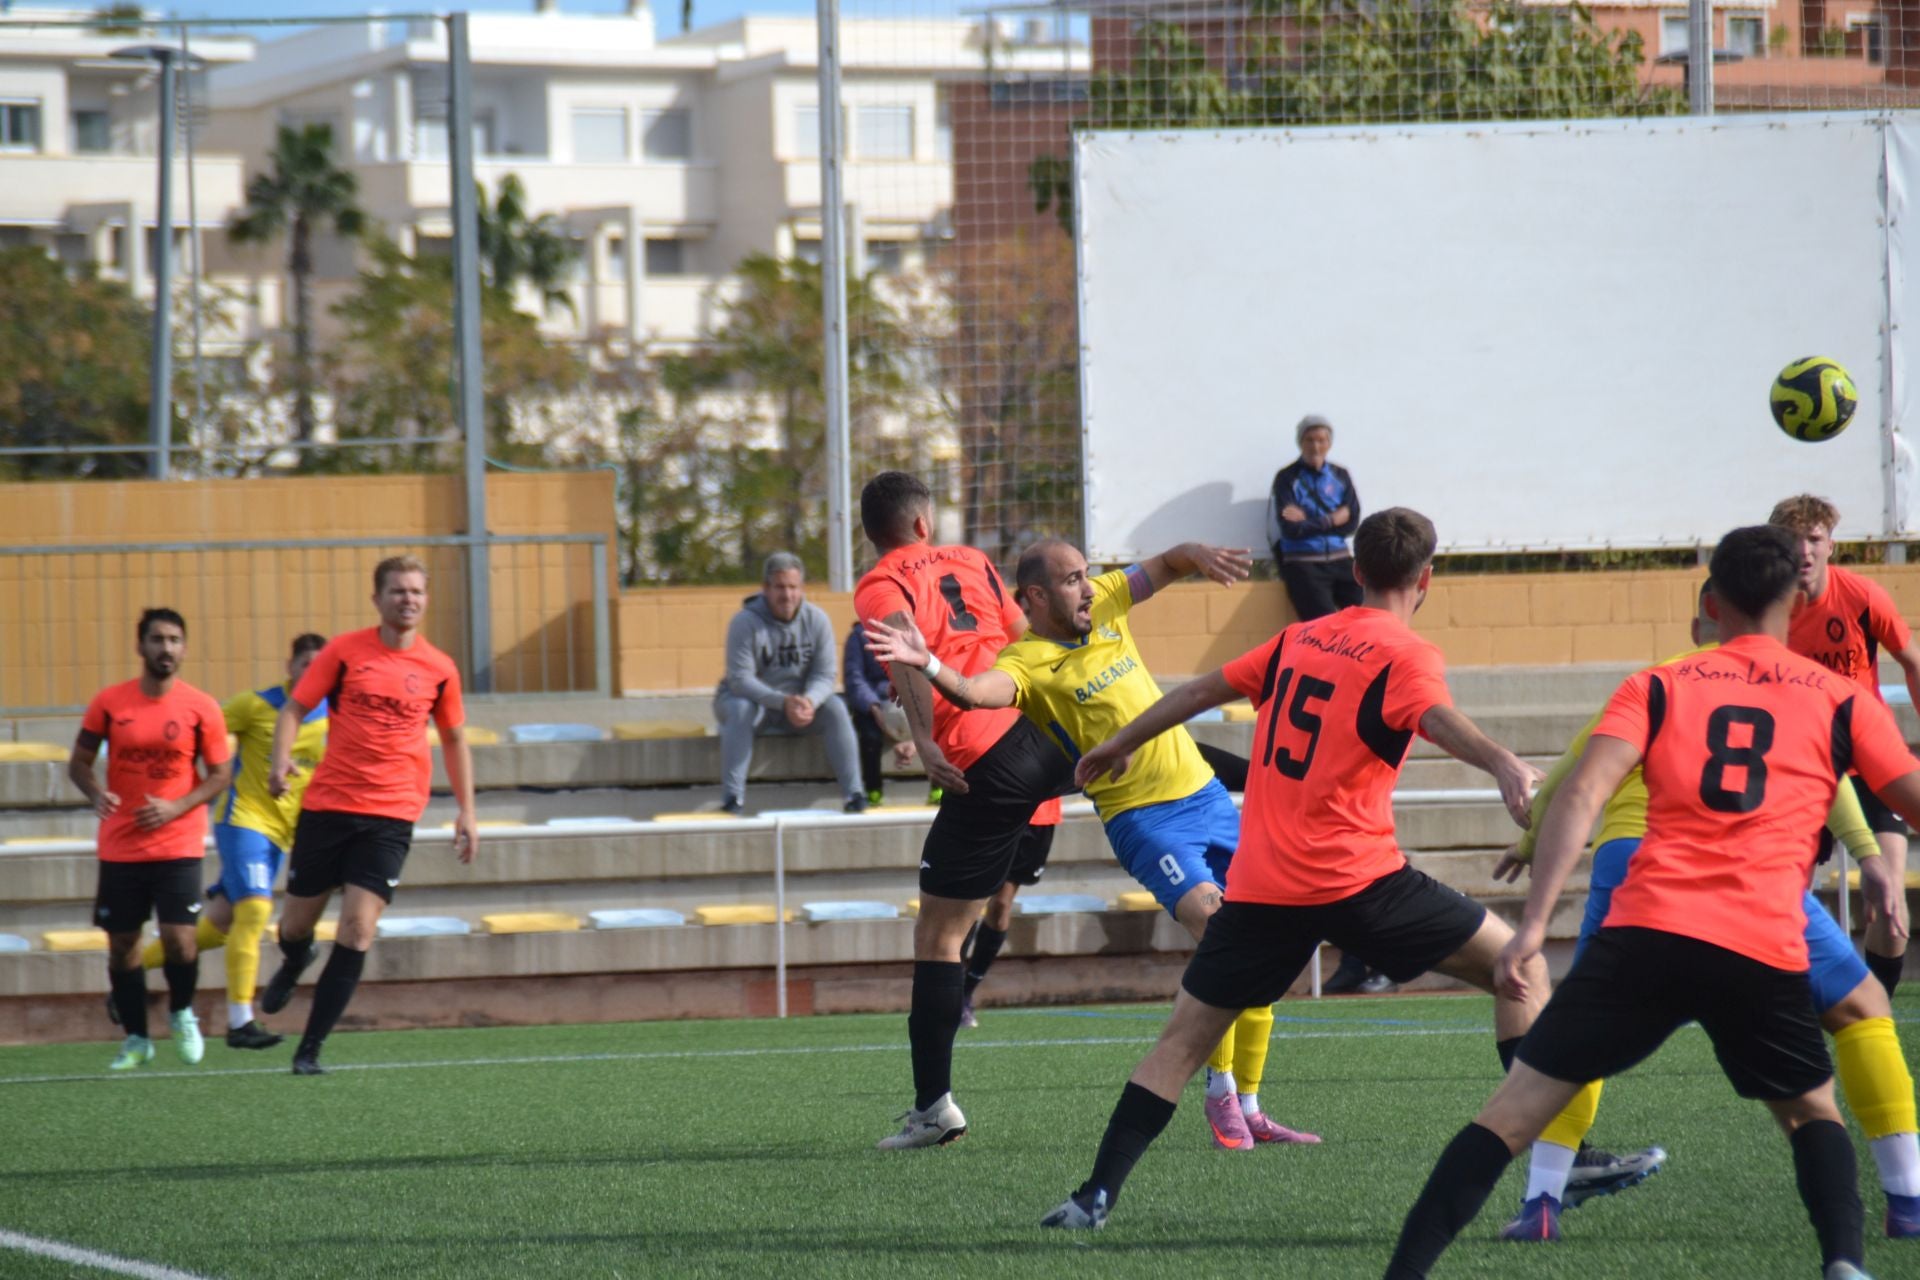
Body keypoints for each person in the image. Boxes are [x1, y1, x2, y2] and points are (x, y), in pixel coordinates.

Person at [1385, 525, 1917, 1280]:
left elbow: (1582, 793)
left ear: (1711, 601)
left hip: (1648, 931)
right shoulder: (1838, 698)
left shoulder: (1661, 683)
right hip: (1760, 940)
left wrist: (1532, 927)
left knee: (1510, 1113)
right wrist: (1872, 855)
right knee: (1810, 1112)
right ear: (1798, 598)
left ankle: (1409, 1270)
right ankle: (1845, 1263)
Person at [1039, 508, 1578, 1230]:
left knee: (1181, 1042)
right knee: (1523, 969)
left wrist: (1116, 743)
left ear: (1354, 572)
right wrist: (1504, 763)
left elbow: (1197, 693)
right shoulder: (1406, 652)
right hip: (1360, 881)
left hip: (1263, 889)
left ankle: (1092, 1196)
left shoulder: (1296, 640)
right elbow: (1435, 717)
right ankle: (1557, 1163)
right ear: (1427, 580)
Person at [1493, 579, 1916, 1241]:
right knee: (1863, 1006)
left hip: (1628, 864)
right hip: (1736, 868)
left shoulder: (1654, 682)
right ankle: (1907, 1201)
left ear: (1704, 623)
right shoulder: (1796, 686)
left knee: (1585, 1031)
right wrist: (1869, 857)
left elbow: (1576, 773)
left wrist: (1526, 843)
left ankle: (1541, 1202)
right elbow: (1829, 778)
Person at [868, 536, 1319, 1148]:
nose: (1088, 586)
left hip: (1207, 800)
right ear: (1035, 596)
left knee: (1266, 938)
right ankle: (1219, 1092)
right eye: (1072, 579)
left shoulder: (1104, 601)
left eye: (1086, 575)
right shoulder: (1027, 662)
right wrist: (927, 664)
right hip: (1148, 820)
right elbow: (977, 692)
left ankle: (1252, 1102)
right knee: (1226, 939)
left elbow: (1163, 565)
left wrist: (1197, 554)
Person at [853, 471, 1074, 1150]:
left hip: (984, 757)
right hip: (1044, 724)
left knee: (939, 939)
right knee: (1168, 768)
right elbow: (1026, 635)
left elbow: (907, 660)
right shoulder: (974, 560)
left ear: (876, 533)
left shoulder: (879, 583)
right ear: (924, 523)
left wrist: (921, 739)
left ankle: (932, 1108)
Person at [258, 556, 478, 1075]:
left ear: (426, 599)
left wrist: (468, 810)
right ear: (376, 599)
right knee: (295, 924)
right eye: (398, 591)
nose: (409, 599)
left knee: (357, 929)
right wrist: (280, 758)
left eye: (417, 592)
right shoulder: (345, 651)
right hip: (329, 806)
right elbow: (293, 708)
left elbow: (453, 737)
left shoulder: (439, 668)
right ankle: (295, 958)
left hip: (391, 815)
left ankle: (309, 1049)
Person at [133, 633, 329, 1050]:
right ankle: (240, 1021)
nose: (312, 673)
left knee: (219, 927)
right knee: (255, 910)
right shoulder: (257, 705)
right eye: (305, 664)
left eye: (321, 666)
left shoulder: (337, 715)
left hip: (286, 835)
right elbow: (201, 731)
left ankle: (129, 972)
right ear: (290, 666)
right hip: (245, 821)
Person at [69, 608, 234, 1071]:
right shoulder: (110, 703)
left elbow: (221, 774)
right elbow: (78, 763)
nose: (167, 649)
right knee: (122, 945)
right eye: (158, 640)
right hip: (121, 845)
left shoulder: (201, 707)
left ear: (184, 648)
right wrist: (95, 792)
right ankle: (137, 1037)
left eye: (175, 640)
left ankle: (182, 1012)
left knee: (180, 941)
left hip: (177, 842)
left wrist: (176, 806)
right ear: (140, 646)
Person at [1772, 495, 1920, 996]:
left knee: (1890, 887)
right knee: (1780, 897)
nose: (1805, 551)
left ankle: (1876, 1001)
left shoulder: (1861, 597)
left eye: (1814, 539)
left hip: (1871, 760)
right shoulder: (1768, 610)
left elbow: (1912, 660)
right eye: (1794, 540)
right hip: (1801, 767)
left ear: (1831, 545)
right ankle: (1786, 999)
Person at [1267, 414, 1386, 995]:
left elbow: (1353, 519)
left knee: (1360, 616)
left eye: (1323, 440)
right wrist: (1324, 522)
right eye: (1311, 440)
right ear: (1301, 444)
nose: (1317, 448)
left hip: (1338, 560)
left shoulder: (1340, 474)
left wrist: (1325, 522)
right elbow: (1291, 521)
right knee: (1322, 628)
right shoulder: (1287, 476)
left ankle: (1371, 963)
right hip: (1305, 563)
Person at [715, 553, 865, 815]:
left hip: (799, 706)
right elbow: (740, 680)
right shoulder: (744, 622)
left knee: (836, 708)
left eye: (793, 587)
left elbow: (825, 674)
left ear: (802, 588)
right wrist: (782, 702)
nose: (787, 595)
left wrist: (809, 701)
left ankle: (854, 795)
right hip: (754, 705)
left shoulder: (817, 620)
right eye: (780, 587)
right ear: (766, 589)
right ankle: (732, 799)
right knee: (740, 709)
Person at [956, 800, 1060, 1030]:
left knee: (1001, 904)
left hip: (1039, 816)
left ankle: (966, 994)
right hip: (996, 808)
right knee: (972, 901)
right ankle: (950, 987)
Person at [843, 618, 916, 808]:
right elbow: (855, 678)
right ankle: (873, 790)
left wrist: (913, 734)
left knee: (941, 724)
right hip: (875, 704)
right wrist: (875, 709)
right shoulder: (859, 636)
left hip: (913, 702)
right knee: (868, 737)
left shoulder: (916, 631)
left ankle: (939, 790)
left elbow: (926, 675)